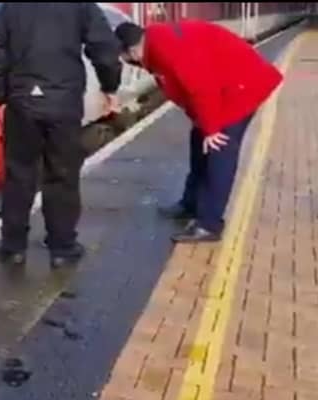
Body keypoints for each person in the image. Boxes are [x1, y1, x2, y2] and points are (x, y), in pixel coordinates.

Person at [0, 3, 123, 268]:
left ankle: (13, 248)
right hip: (65, 103)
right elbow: (104, 49)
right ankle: (62, 249)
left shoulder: (10, 9)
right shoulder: (81, 6)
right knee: (63, 175)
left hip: (22, 103)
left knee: (19, 174)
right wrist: (110, 86)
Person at [114, 20, 283, 243]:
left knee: (219, 153)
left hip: (240, 88)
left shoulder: (167, 48)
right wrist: (201, 122)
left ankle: (209, 224)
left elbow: (202, 87)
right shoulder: (155, 46)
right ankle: (191, 204)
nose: (126, 63)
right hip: (224, 88)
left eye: (125, 58)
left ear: (133, 50)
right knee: (199, 143)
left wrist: (212, 129)